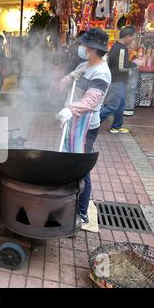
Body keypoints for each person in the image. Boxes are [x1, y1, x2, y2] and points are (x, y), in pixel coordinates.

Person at [57, 28, 112, 223]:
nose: (81, 47)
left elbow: (91, 101)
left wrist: (69, 110)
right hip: (73, 121)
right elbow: (73, 76)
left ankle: (81, 211)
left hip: (87, 127)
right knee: (68, 159)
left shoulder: (102, 72)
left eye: (84, 45)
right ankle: (68, 199)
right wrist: (67, 79)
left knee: (81, 167)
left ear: (92, 48)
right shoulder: (85, 64)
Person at [100, 26, 137, 134]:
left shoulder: (116, 46)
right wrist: (134, 64)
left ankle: (116, 126)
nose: (133, 40)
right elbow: (122, 67)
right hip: (117, 81)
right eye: (133, 38)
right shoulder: (121, 48)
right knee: (112, 106)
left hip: (117, 80)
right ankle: (91, 124)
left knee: (120, 105)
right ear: (128, 37)